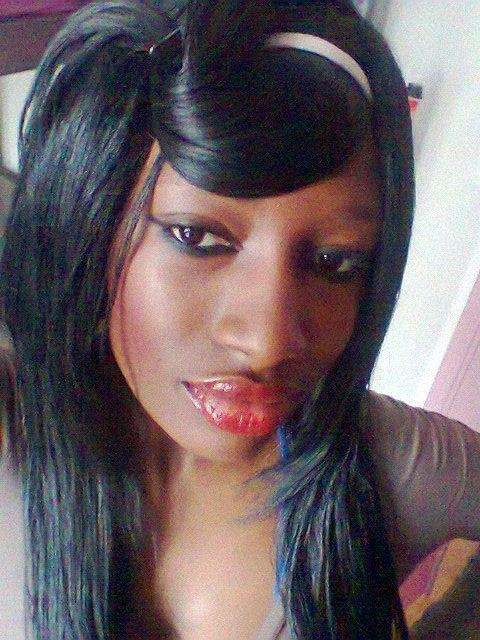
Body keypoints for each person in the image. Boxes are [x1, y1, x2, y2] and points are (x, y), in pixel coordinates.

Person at [0, 0, 479, 638]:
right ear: (90, 218)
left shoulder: (386, 466)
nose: (268, 342)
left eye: (335, 263)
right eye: (197, 238)